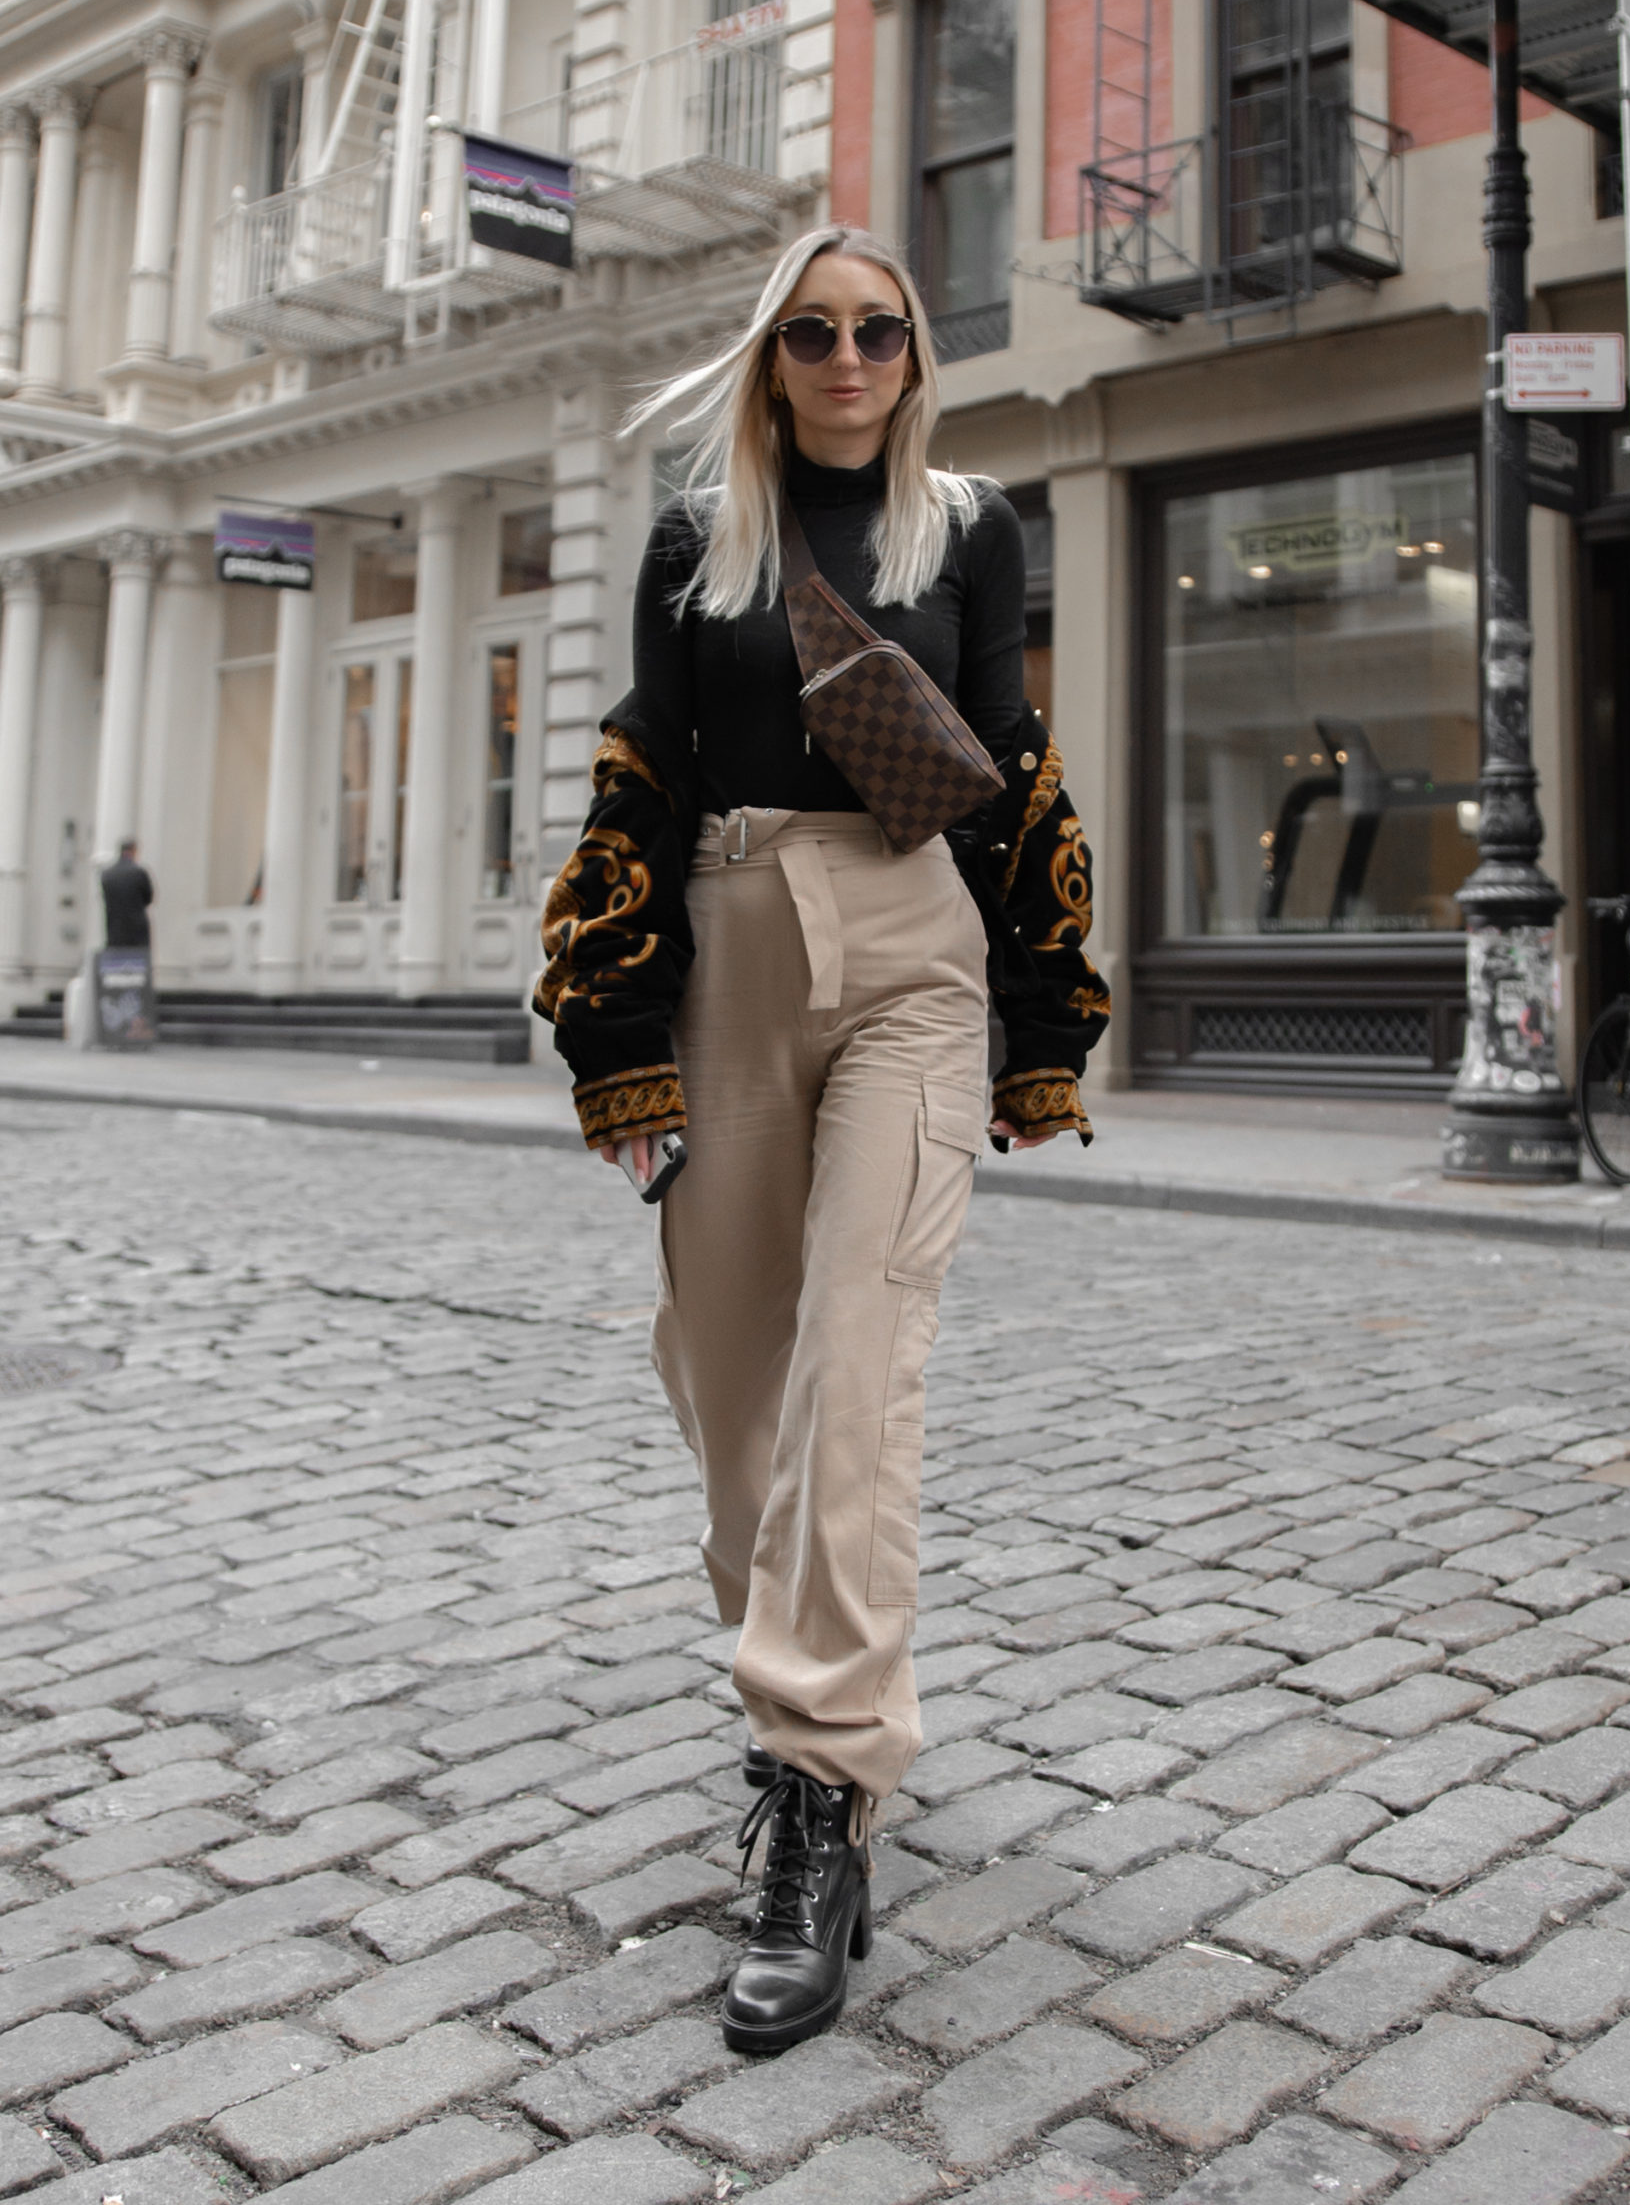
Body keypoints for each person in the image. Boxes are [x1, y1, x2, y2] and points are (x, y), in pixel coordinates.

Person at [534, 224, 1109, 2055]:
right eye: (813, 333)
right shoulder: (696, 536)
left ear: (913, 351)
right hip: (726, 937)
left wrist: (1041, 1023)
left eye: (878, 331)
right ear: (771, 357)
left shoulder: (973, 524)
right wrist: (616, 1033)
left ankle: (816, 1789)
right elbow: (643, 759)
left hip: (913, 954)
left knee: (861, 1358)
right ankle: (816, 1694)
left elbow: (1008, 762)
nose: (849, 358)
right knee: (733, 1394)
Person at [100, 840, 153, 950]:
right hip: (136, 928)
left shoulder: (107, 874)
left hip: (114, 927)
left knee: (115, 960)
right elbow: (148, 898)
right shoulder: (139, 872)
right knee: (137, 961)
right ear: (134, 851)